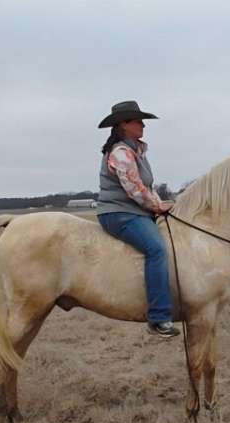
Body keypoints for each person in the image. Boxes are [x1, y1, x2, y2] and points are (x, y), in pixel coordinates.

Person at [96, 100, 180, 338]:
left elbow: (146, 186)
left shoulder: (136, 151)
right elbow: (134, 189)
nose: (143, 125)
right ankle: (159, 317)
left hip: (134, 210)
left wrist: (160, 204)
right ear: (124, 124)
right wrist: (157, 207)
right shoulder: (121, 153)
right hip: (119, 213)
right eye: (138, 121)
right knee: (156, 249)